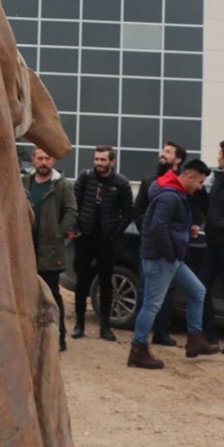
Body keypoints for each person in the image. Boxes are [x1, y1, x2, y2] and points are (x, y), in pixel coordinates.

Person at [128, 159, 219, 368]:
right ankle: (138, 350)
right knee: (152, 305)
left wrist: (187, 231)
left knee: (198, 291)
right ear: (189, 176)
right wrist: (170, 253)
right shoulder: (170, 196)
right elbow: (157, 227)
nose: (199, 187)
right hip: (161, 259)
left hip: (170, 258)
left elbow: (168, 225)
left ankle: (195, 340)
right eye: (199, 182)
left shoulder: (174, 192)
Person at [126, 140, 194, 346]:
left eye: (168, 152)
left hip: (173, 249)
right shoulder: (149, 181)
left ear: (179, 159)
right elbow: (138, 210)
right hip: (151, 248)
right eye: (163, 151)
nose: (162, 154)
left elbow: (192, 212)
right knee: (147, 292)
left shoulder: (183, 183)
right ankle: (140, 338)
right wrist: (147, 232)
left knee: (170, 291)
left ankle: (162, 332)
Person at [71, 144, 133, 342]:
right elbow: (74, 203)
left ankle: (105, 326)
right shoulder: (85, 177)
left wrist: (115, 233)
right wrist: (77, 227)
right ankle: (79, 323)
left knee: (106, 283)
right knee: (81, 281)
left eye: (103, 160)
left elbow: (128, 212)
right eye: (96, 159)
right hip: (85, 236)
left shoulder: (121, 183)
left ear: (112, 161)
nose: (98, 163)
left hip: (107, 239)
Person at [23, 146, 77, 352]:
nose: (43, 162)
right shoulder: (25, 182)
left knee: (52, 296)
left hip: (50, 252)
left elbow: (72, 211)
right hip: (27, 250)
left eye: (47, 158)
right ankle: (32, 336)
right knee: (28, 296)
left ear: (53, 161)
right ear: (34, 160)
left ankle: (59, 337)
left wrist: (58, 233)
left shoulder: (62, 185)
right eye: (40, 158)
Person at [200, 139, 224, 355]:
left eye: (219, 152)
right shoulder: (217, 179)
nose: (217, 155)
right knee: (201, 288)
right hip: (212, 245)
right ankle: (211, 334)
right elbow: (209, 209)